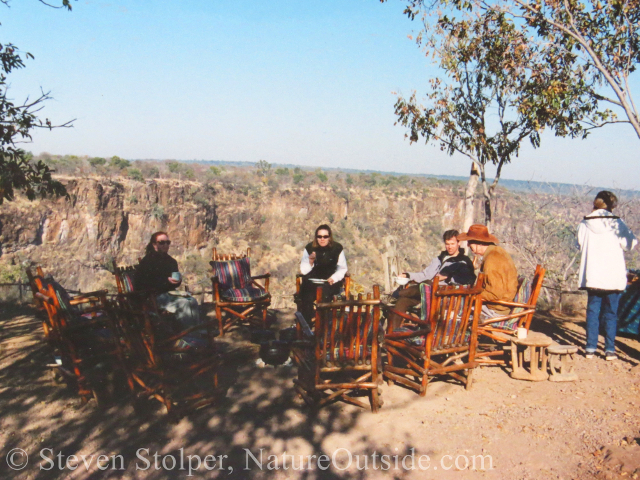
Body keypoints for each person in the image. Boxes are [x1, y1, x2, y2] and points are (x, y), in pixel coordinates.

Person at [577, 191, 637, 360]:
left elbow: (579, 245)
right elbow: (629, 244)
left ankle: (590, 347)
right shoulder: (617, 223)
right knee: (611, 313)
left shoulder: (584, 223)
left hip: (593, 275)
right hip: (612, 276)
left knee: (592, 312)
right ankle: (609, 349)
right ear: (612, 205)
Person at [388, 229, 476, 330]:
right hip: (426, 293)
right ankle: (392, 334)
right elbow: (425, 275)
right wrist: (408, 275)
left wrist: (448, 276)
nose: (449, 247)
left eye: (452, 244)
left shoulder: (463, 262)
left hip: (443, 296)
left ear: (458, 243)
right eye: (447, 244)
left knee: (428, 283)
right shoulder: (439, 259)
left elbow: (468, 280)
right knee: (403, 301)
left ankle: (396, 294)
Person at [134, 231, 201, 331]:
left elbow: (175, 282)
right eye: (161, 242)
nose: (165, 245)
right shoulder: (147, 262)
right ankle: (189, 333)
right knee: (184, 303)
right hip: (153, 297)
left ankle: (195, 330)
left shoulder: (171, 261)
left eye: (167, 242)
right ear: (154, 244)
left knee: (192, 300)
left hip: (169, 294)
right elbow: (142, 284)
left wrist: (178, 281)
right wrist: (166, 281)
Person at [457, 224, 518, 319]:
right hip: (498, 305)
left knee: (457, 310)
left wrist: (471, 295)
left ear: (479, 243)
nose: (468, 245)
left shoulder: (492, 259)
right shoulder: (496, 252)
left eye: (470, 242)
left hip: (496, 309)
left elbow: (495, 294)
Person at [296, 224, 348, 322]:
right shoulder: (309, 247)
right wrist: (310, 261)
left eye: (325, 236)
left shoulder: (337, 248)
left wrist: (334, 278)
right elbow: (304, 270)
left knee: (325, 294)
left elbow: (342, 268)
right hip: (312, 281)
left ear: (329, 237)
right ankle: (307, 323)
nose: (322, 239)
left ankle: (323, 323)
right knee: (306, 295)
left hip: (330, 281)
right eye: (319, 237)